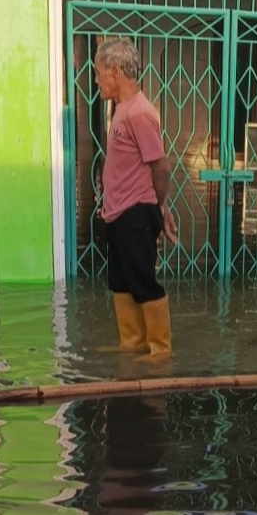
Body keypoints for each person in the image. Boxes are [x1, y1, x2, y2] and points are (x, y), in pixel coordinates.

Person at [94, 38, 178, 362]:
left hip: (135, 213)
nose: (98, 79)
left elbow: (161, 167)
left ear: (115, 72)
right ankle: (132, 342)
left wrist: (157, 208)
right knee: (120, 281)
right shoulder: (122, 110)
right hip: (118, 213)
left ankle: (160, 349)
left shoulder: (139, 114)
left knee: (143, 281)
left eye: (100, 73)